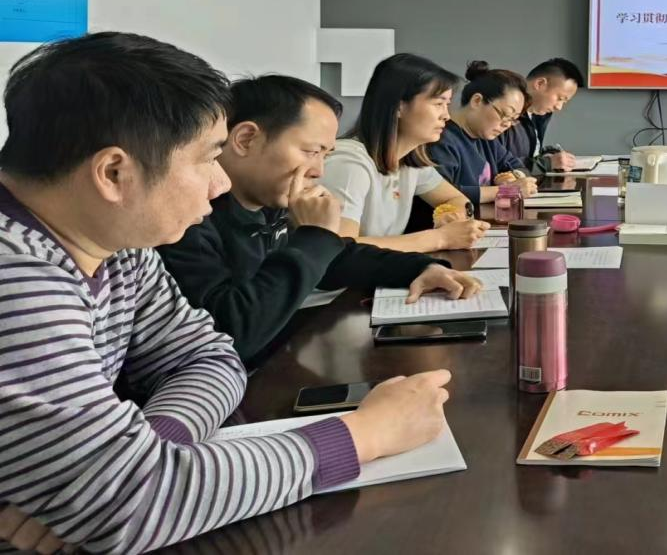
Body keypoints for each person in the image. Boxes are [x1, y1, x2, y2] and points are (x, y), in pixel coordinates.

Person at [0, 32, 450, 554]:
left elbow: (210, 355)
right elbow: (134, 501)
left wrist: (123, 465)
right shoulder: (17, 273)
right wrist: (364, 435)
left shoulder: (117, 246)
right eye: (205, 159)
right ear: (114, 173)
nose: (219, 184)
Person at [159, 75, 483, 368]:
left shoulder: (269, 204)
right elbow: (230, 334)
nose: (318, 172)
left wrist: (421, 268)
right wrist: (313, 237)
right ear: (245, 139)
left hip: (280, 360)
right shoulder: (187, 219)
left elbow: (336, 257)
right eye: (311, 152)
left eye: (324, 156)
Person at [320, 53, 490, 253]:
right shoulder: (349, 163)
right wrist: (440, 238)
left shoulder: (409, 162)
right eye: (438, 104)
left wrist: (450, 216)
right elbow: (338, 250)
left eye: (447, 105)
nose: (446, 115)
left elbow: (458, 199)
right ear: (398, 106)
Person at [426, 61, 539, 205]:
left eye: (512, 119)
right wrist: (505, 190)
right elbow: (443, 194)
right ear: (477, 101)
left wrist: (513, 176)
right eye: (504, 114)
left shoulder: (487, 140)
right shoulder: (440, 140)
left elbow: (519, 166)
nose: (506, 124)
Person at [500, 57, 585, 173]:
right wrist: (546, 163)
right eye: (560, 98)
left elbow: (528, 155)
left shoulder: (539, 114)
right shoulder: (504, 114)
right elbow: (499, 166)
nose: (559, 107)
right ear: (540, 84)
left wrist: (549, 155)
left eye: (564, 102)